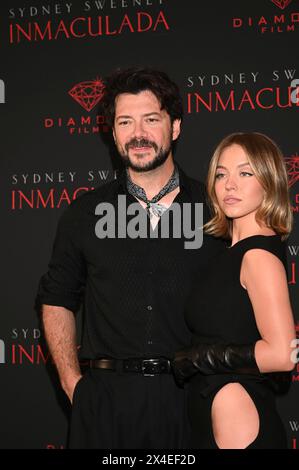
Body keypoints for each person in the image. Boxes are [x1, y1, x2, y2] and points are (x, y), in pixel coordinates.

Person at [36, 67, 225, 449]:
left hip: (191, 401)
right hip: (107, 405)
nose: (138, 133)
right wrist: (75, 386)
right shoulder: (84, 214)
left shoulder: (214, 211)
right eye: (125, 121)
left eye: (151, 119)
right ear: (114, 132)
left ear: (174, 128)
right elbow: (57, 300)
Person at [172, 132, 296, 449]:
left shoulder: (257, 256)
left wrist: (203, 358)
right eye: (221, 174)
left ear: (268, 181)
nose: (229, 184)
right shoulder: (227, 254)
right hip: (212, 409)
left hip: (237, 412)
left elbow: (283, 355)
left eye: (245, 172)